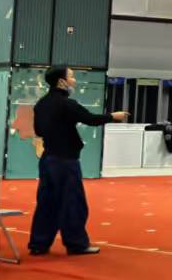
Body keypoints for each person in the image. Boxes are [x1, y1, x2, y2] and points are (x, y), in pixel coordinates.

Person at [27, 65, 129, 256]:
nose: (74, 80)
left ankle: (38, 244)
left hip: (48, 160)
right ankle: (76, 243)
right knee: (72, 203)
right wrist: (112, 116)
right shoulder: (66, 104)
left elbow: (39, 130)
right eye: (71, 76)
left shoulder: (41, 104)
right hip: (65, 161)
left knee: (47, 203)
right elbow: (90, 119)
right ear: (61, 81)